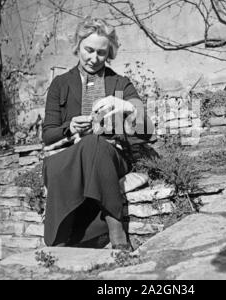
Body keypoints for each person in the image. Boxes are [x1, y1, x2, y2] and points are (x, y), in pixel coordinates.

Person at [42, 17, 155, 250]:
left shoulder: (120, 83)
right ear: (78, 47)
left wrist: (129, 107)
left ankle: (116, 235)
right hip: (67, 156)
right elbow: (48, 135)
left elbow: (147, 131)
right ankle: (76, 238)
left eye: (101, 53)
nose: (94, 58)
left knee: (95, 143)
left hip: (110, 157)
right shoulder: (60, 84)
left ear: (109, 54)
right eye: (89, 50)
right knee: (86, 144)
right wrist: (70, 127)